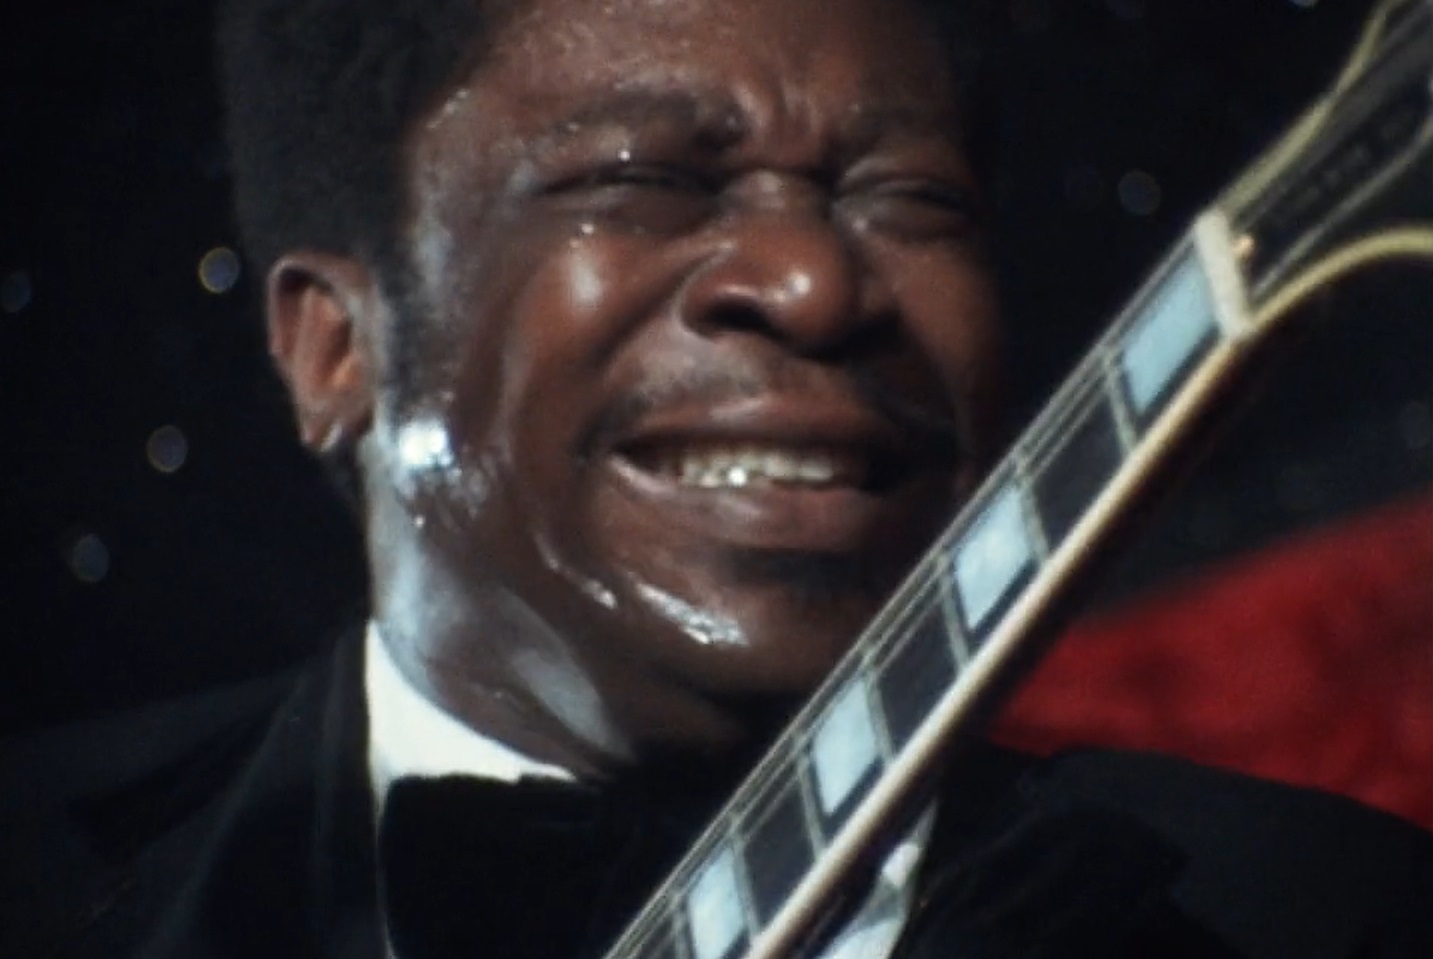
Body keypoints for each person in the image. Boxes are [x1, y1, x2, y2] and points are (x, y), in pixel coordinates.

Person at [2, 0, 1428, 956]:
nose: (814, 282)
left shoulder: (1332, 921)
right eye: (643, 180)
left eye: (910, 198)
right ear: (336, 348)